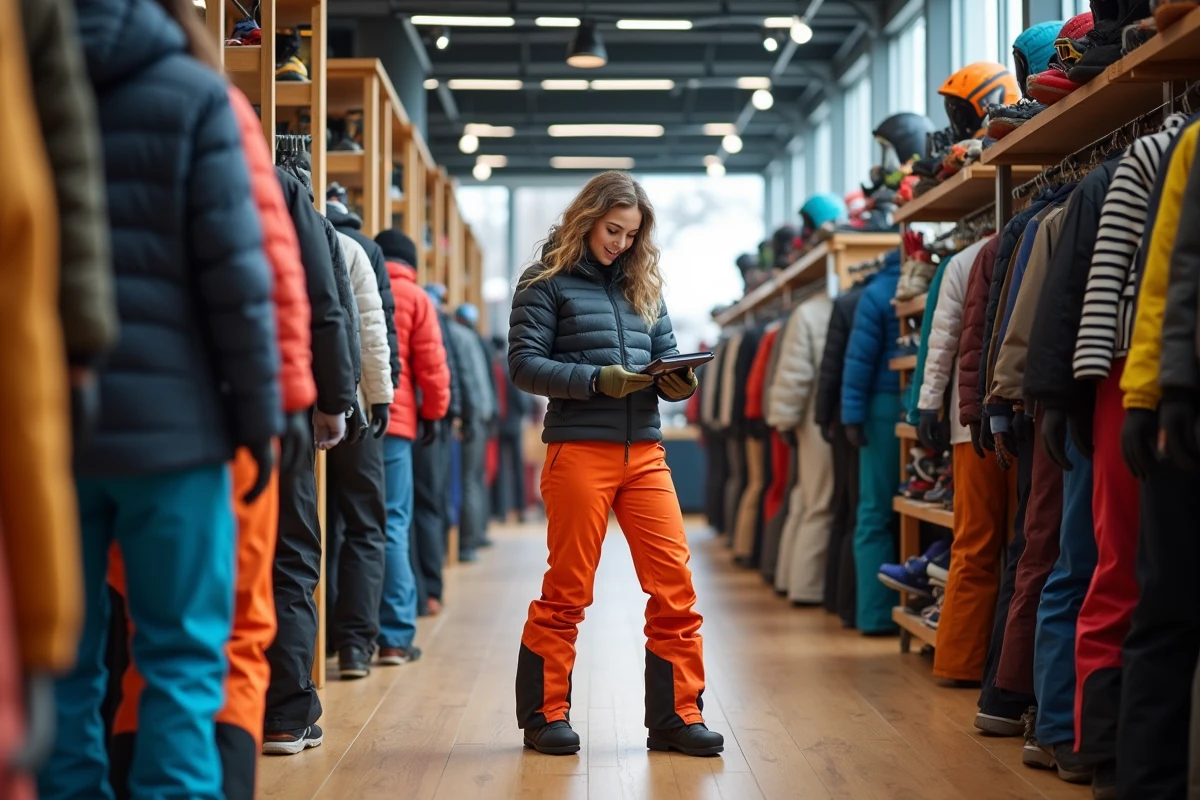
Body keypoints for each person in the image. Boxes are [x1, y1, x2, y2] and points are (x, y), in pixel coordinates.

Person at [40, 0, 282, 797]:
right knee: (180, 654)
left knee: (60, 659)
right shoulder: (197, 91)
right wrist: (256, 418)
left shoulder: (19, 88)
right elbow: (239, 280)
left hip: (49, 429)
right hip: (176, 435)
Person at [508, 171, 722, 757]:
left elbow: (666, 358)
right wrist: (597, 380)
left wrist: (678, 380)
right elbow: (524, 367)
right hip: (578, 449)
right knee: (569, 590)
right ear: (588, 219)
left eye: (631, 234)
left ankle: (678, 716)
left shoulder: (644, 286)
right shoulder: (545, 282)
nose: (621, 244)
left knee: (675, 586)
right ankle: (546, 716)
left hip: (646, 454)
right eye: (613, 230)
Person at [373, 229, 451, 663]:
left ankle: (349, 634)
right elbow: (433, 366)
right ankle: (395, 636)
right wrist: (435, 414)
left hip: (350, 420)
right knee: (393, 525)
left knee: (352, 528)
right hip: (398, 425)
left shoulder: (356, 276)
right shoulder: (417, 298)